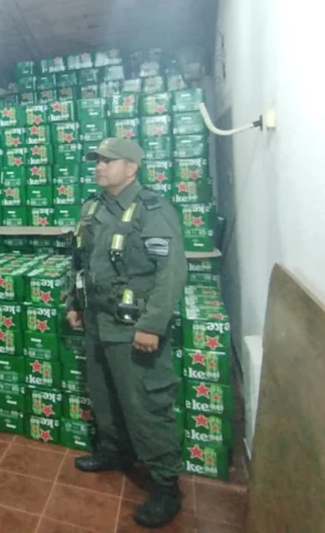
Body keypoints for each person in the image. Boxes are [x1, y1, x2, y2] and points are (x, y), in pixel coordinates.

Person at [66, 137, 187, 528]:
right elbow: (79, 261)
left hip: (132, 327)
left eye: (108, 160)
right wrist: (73, 302)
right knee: (103, 395)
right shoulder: (92, 207)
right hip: (97, 322)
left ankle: (166, 485)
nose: (99, 167)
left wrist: (151, 325)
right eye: (97, 160)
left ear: (132, 168)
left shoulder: (153, 211)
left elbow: (171, 273)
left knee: (145, 405)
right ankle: (113, 451)